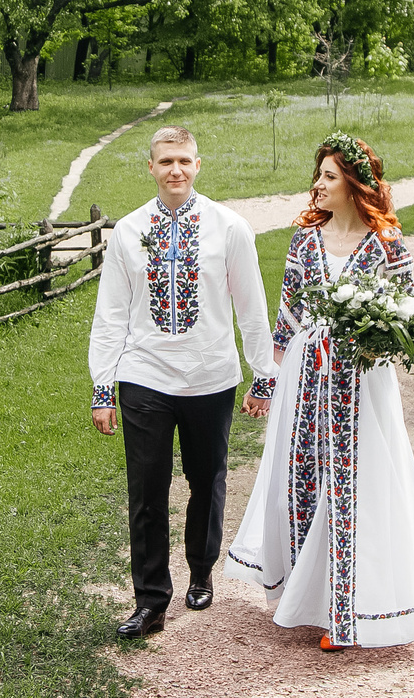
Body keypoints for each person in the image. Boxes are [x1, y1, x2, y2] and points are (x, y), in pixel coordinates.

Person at [226, 134, 414, 651]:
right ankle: (306, 597)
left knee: (354, 484)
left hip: (362, 383)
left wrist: (372, 339)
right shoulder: (304, 242)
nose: (318, 185)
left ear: (354, 183)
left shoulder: (388, 245)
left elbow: (407, 317)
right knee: (302, 479)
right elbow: (286, 320)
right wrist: (266, 384)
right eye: (319, 175)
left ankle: (348, 611)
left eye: (329, 176)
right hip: (306, 378)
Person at [88, 126, 277, 638]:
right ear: (150, 167)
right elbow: (110, 315)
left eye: (184, 160)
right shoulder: (129, 231)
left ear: (197, 165)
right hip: (144, 375)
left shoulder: (229, 228)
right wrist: (103, 387)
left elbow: (251, 308)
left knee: (206, 479)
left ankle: (200, 570)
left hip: (210, 377)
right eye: (166, 161)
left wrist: (263, 375)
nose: (176, 169)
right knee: (146, 490)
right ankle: (150, 601)